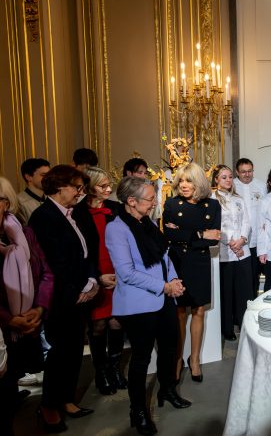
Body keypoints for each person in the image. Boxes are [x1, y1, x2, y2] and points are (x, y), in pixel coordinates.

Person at [106, 176, 190, 435]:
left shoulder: (148, 223)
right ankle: (138, 410)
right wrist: (164, 286)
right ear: (131, 201)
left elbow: (164, 257)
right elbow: (126, 272)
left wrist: (173, 279)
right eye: (150, 198)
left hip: (164, 298)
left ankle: (167, 389)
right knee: (141, 359)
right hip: (138, 303)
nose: (155, 203)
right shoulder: (117, 229)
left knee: (169, 347)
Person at [29, 165, 99, 432]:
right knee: (59, 353)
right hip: (61, 298)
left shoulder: (75, 214)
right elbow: (53, 264)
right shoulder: (43, 217)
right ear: (60, 187)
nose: (80, 193)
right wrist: (76, 292)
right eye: (77, 187)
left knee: (73, 352)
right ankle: (48, 405)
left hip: (82, 291)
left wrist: (92, 281)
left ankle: (67, 399)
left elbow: (87, 252)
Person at [0, 177, 54, 436]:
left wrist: (40, 308)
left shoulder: (24, 234)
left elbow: (45, 273)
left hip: (28, 319)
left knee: (9, 396)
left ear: (6, 203)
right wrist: (9, 319)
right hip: (6, 325)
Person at [162, 163, 220, 383]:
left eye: (189, 181)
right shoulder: (171, 203)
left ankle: (194, 359)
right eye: (181, 181)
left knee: (198, 311)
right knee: (179, 312)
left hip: (200, 262)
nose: (184, 185)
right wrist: (199, 233)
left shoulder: (213, 205)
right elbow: (168, 235)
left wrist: (185, 234)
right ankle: (177, 359)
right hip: (178, 262)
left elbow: (214, 237)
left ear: (199, 183)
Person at [79, 167, 126, 395]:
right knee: (98, 325)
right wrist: (97, 277)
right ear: (89, 186)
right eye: (103, 185)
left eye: (109, 184)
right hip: (95, 274)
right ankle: (101, 372)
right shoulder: (78, 213)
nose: (109, 189)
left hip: (117, 272)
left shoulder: (115, 209)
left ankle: (115, 368)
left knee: (117, 322)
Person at [211, 165, 253, 341]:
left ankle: (245, 325)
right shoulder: (212, 199)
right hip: (224, 253)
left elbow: (247, 222)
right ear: (216, 180)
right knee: (226, 293)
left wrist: (242, 240)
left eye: (229, 177)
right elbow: (215, 226)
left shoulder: (238, 199)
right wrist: (230, 243)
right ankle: (227, 328)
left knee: (244, 291)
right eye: (223, 177)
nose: (228, 180)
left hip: (242, 251)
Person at [233, 158, 266, 296]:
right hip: (237, 241)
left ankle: (253, 302)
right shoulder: (232, 185)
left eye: (250, 171)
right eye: (243, 172)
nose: (247, 175)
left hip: (257, 240)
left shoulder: (261, 185)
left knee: (255, 275)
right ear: (237, 172)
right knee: (240, 277)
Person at [16, 158, 50, 225]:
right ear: (28, 177)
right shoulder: (18, 203)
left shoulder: (51, 198)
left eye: (49, 174)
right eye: (43, 175)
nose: (48, 178)